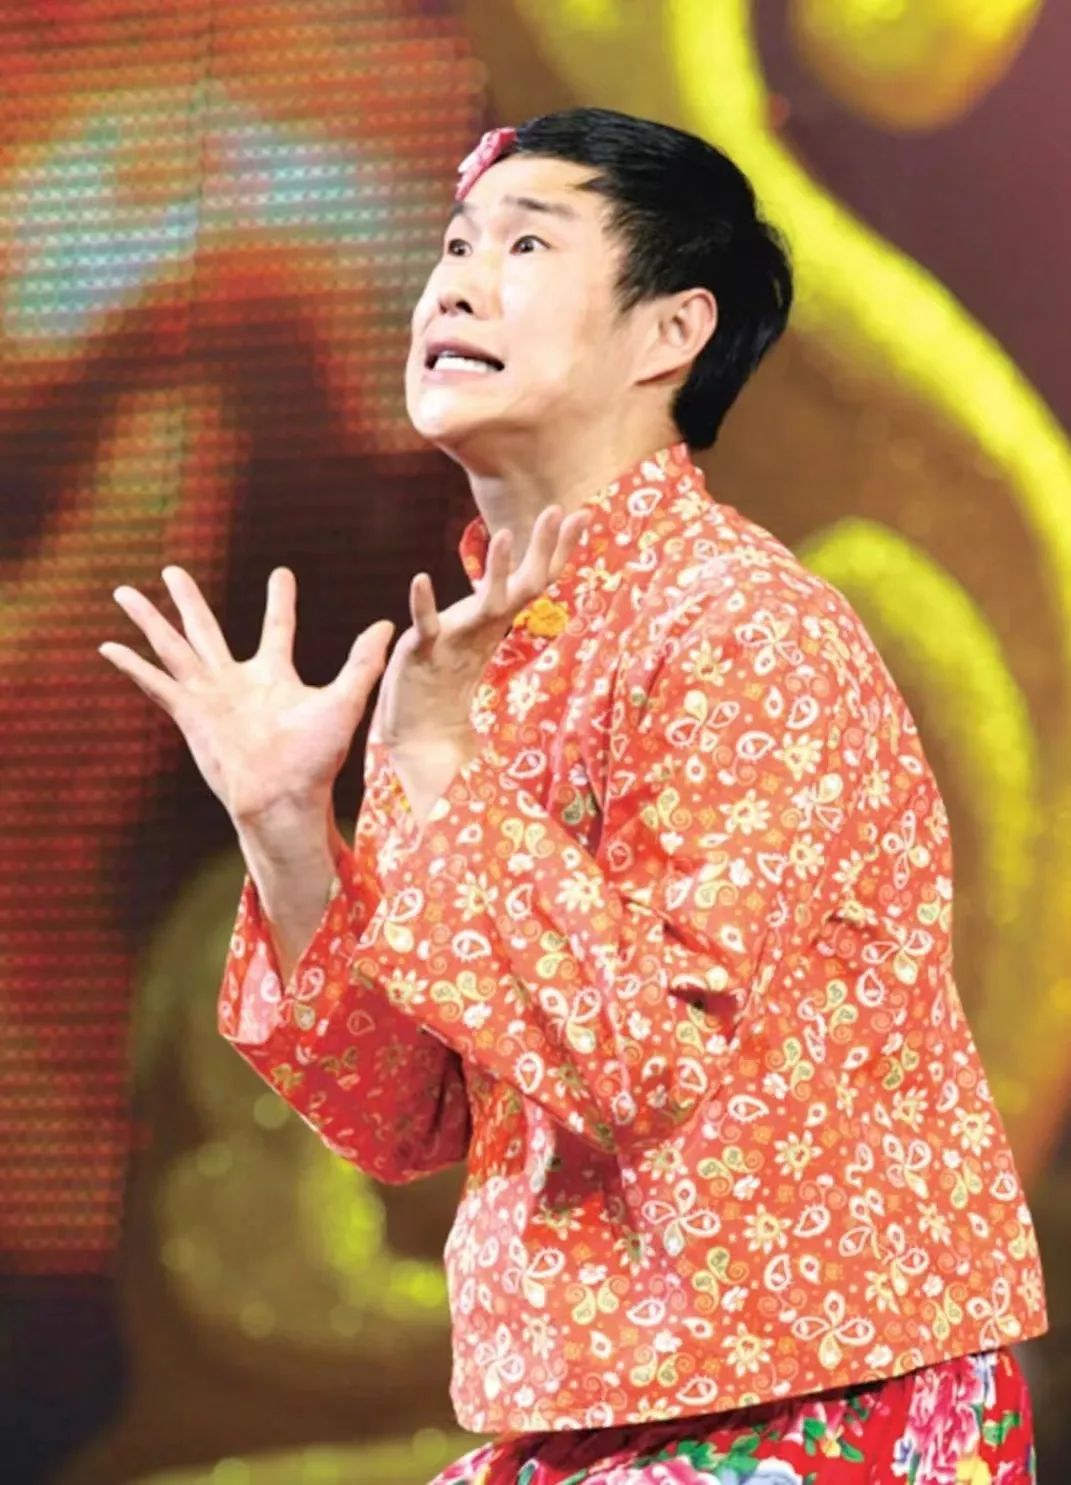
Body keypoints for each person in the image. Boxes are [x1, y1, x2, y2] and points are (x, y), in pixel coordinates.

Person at [100, 108, 1046, 1483]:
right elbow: (409, 1113)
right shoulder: (473, 667)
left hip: (828, 1394)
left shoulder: (740, 629)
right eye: (453, 247)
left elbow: (643, 1058)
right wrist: (286, 825)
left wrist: (436, 767)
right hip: (605, 1410)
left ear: (671, 330)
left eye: (525, 246)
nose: (454, 285)